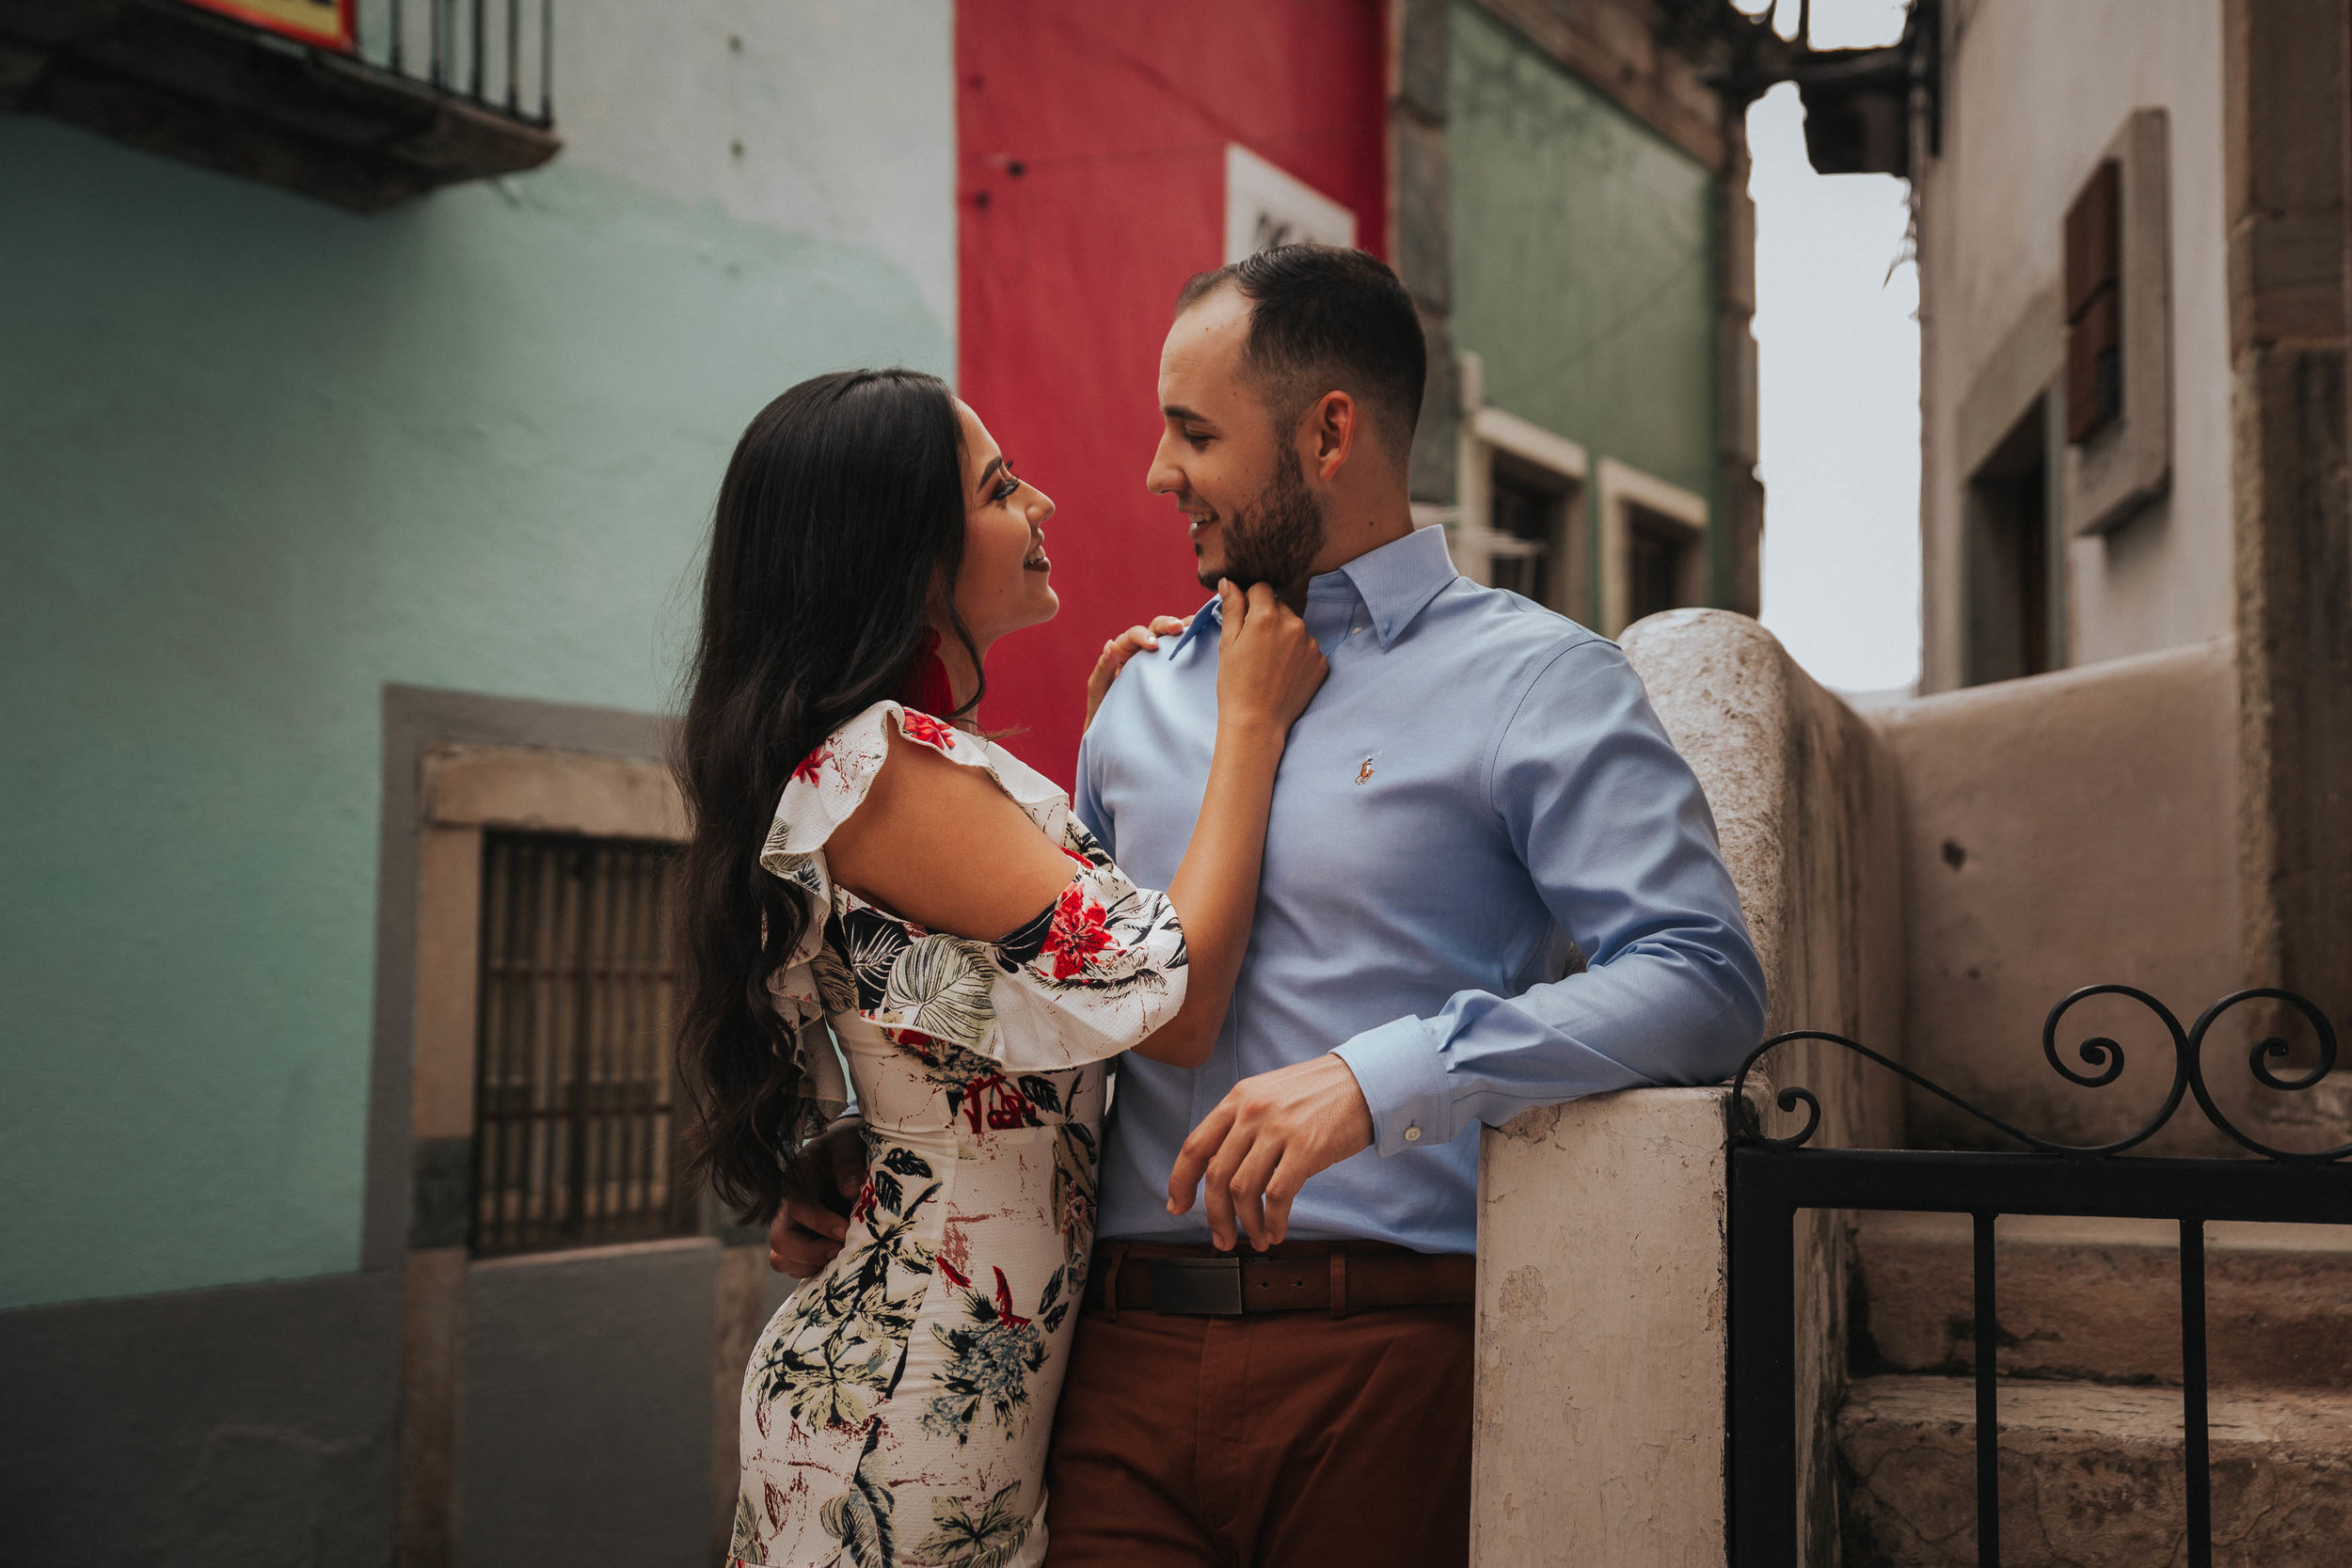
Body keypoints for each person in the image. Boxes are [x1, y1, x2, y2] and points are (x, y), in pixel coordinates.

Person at [769, 246, 1768, 1565]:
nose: (1153, 474)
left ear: (1329, 433)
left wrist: (1381, 1075)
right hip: (1109, 1364)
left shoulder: (1540, 680)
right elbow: (1079, 1005)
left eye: (1192, 432)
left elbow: (1703, 975)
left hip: (1387, 1356)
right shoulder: (1140, 703)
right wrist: (883, 1142)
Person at [676, 368, 1327, 1568]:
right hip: (907, 1399)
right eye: (996, 487)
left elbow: (997, 1011)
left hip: (941, 1379)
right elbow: (1163, 1003)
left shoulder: (896, 767)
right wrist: (1247, 725)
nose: (1044, 503)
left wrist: (1089, 776)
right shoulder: (881, 766)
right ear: (908, 554)